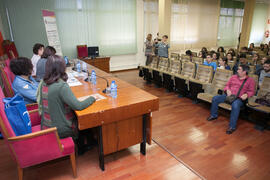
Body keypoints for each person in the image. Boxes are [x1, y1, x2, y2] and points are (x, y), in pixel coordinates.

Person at [37, 55, 96, 153]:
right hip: (60, 130)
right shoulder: (61, 86)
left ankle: (86, 141)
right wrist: (92, 98)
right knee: (83, 118)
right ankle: (83, 146)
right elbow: (79, 106)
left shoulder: (44, 82)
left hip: (47, 125)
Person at [207, 65, 255, 134]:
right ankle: (214, 115)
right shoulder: (233, 77)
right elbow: (227, 85)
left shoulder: (250, 80)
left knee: (235, 105)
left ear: (244, 72)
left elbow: (252, 91)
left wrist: (247, 94)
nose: (237, 71)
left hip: (239, 98)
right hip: (229, 96)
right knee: (215, 98)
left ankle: (232, 126)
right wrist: (227, 90)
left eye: (239, 69)